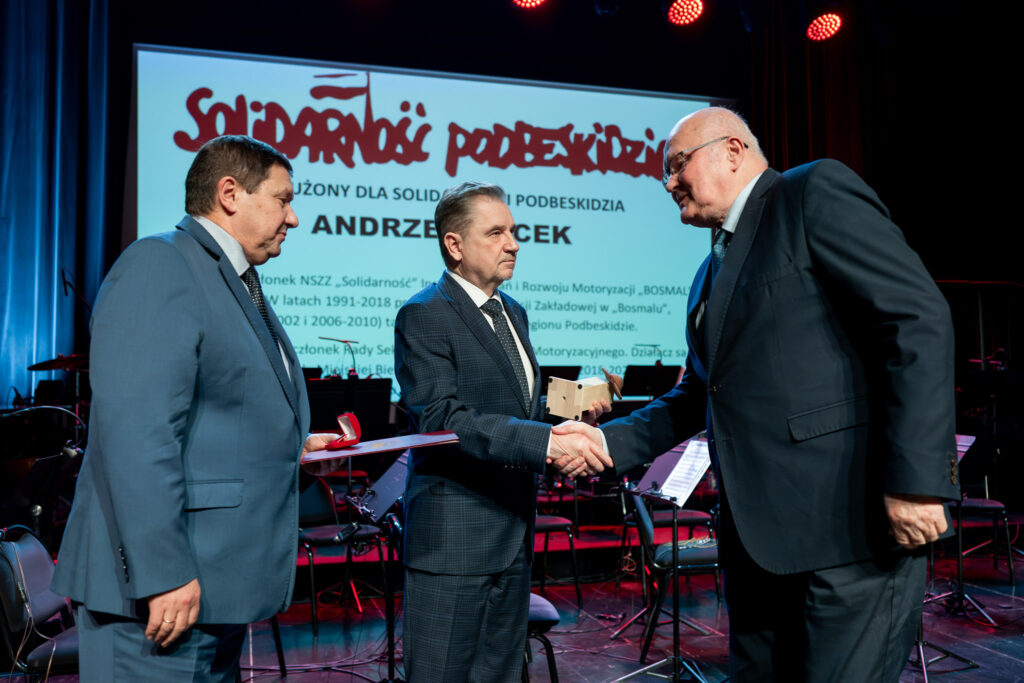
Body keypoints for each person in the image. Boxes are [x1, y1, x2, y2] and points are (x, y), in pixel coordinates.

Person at [557, 108, 959, 682]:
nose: (669, 183)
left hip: (849, 533)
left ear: (732, 151)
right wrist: (605, 442)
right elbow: (700, 393)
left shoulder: (811, 193)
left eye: (677, 164)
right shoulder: (707, 272)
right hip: (756, 550)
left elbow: (915, 320)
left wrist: (917, 482)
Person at [52, 135, 338, 681]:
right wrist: (163, 573)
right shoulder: (161, 264)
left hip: (217, 591)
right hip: (160, 596)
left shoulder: (231, 279)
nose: (293, 217)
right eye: (283, 199)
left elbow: (219, 417)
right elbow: (138, 435)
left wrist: (295, 450)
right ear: (230, 194)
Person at [394, 181, 613, 682]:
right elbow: (442, 418)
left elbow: (519, 408)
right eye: (496, 233)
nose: (513, 243)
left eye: (513, 231)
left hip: (513, 534)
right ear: (454, 244)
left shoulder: (513, 311)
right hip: (454, 542)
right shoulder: (424, 314)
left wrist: (570, 421)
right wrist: (545, 443)